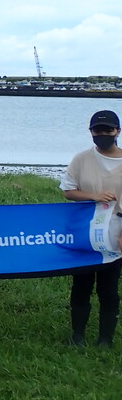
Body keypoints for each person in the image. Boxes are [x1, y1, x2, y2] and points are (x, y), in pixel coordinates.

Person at [60, 109, 122, 348]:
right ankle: (78, 335)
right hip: (84, 233)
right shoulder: (81, 159)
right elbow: (69, 191)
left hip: (115, 233)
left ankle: (105, 338)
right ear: (91, 132)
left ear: (117, 131)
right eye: (98, 130)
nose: (103, 134)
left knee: (109, 288)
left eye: (108, 129)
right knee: (81, 285)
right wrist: (93, 196)